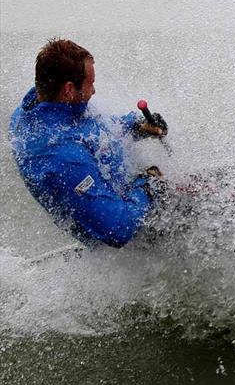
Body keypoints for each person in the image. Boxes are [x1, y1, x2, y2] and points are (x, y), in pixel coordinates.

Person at [8, 38, 167, 248]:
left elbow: (92, 131)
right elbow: (117, 229)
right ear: (69, 89)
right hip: (132, 229)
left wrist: (136, 125)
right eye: (90, 83)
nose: (94, 91)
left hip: (128, 193)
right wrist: (146, 186)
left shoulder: (51, 103)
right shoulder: (60, 157)